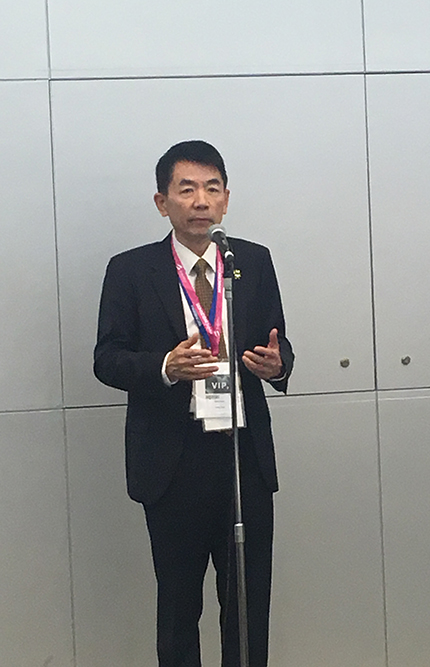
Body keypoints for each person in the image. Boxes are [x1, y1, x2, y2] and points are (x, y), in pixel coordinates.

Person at [94, 140, 294, 667]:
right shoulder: (131, 270)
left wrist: (277, 366)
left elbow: (277, 343)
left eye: (212, 188)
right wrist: (165, 366)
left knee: (248, 607)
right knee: (180, 608)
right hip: (173, 461)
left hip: (242, 457)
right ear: (163, 202)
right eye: (187, 190)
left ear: (226, 198)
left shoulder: (251, 261)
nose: (201, 200)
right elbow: (107, 359)